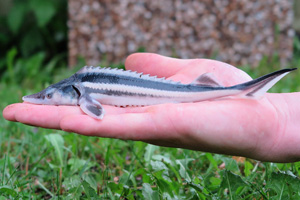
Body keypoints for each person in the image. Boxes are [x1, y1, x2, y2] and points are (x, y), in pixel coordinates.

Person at [3, 53, 300, 162]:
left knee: (218, 93)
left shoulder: (83, 90)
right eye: (46, 97)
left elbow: (95, 110)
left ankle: (246, 91)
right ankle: (245, 93)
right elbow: (96, 109)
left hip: (184, 92)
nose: (45, 98)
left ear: (72, 93)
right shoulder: (82, 86)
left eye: (49, 97)